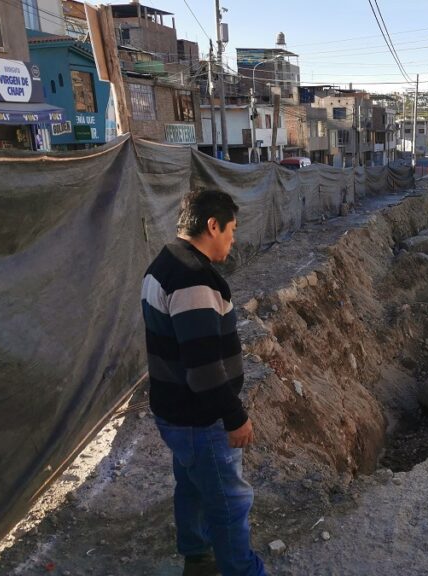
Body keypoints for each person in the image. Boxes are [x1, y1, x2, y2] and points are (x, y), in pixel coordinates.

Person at [141, 189, 266, 576]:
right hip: (200, 418)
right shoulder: (193, 279)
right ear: (212, 226)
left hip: (176, 410)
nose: (233, 239)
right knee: (230, 502)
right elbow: (204, 368)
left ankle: (197, 555)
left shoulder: (164, 262)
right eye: (231, 230)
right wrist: (234, 416)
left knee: (193, 487)